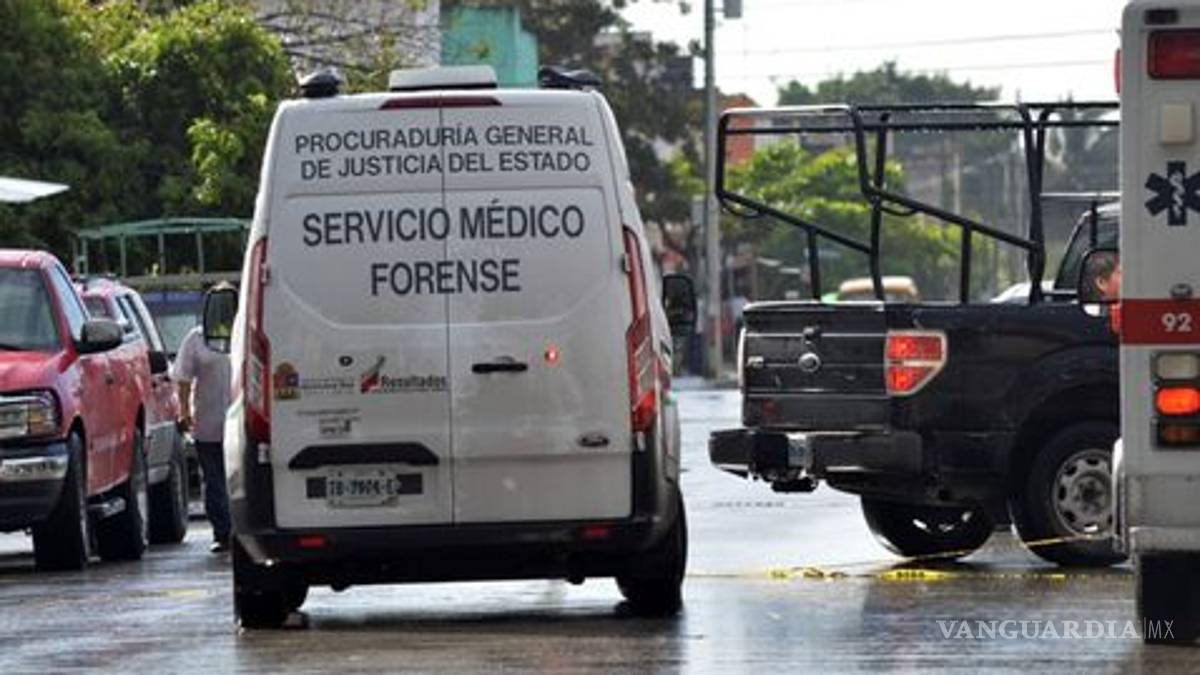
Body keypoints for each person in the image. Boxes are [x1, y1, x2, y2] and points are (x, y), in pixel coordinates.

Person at [172, 283, 236, 553]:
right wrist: (184, 412)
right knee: (214, 480)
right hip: (208, 424)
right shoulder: (196, 339)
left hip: (241, 423)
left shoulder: (248, 333)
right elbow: (183, 379)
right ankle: (222, 533)